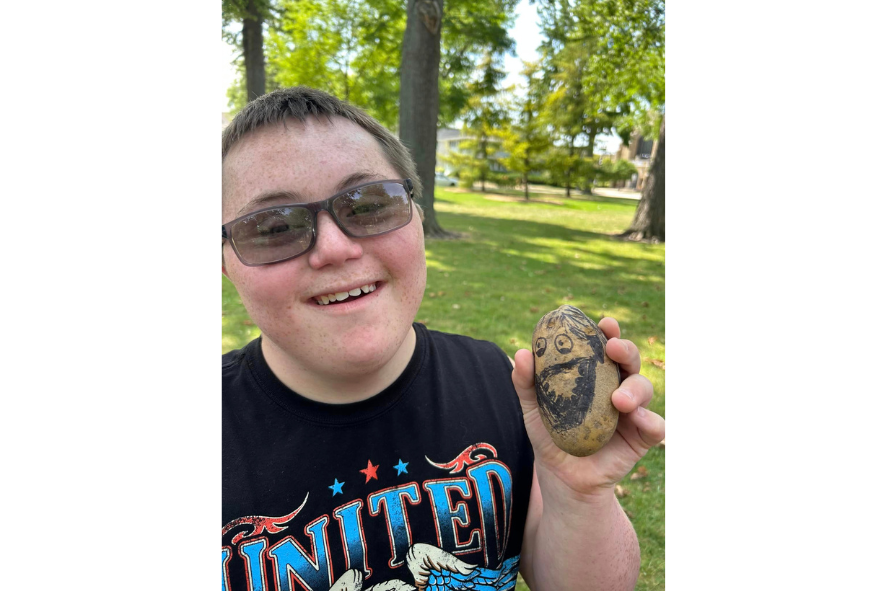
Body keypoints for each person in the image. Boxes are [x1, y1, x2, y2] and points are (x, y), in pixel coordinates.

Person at [222, 86, 665, 591]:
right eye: (273, 227)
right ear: (222, 260)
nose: (335, 248)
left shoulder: (496, 382)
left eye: (368, 204)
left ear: (415, 210)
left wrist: (581, 496)